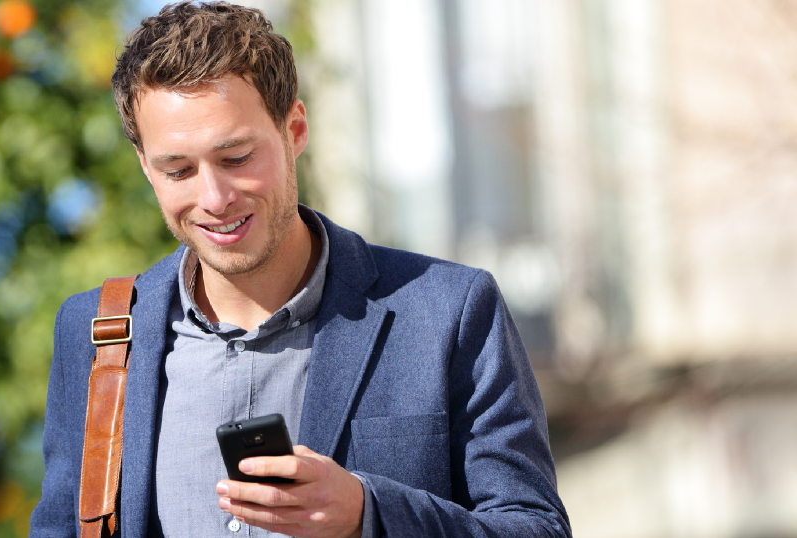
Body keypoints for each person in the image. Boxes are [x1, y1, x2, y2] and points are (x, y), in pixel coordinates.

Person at [28, 2, 570, 537]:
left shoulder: (448, 311)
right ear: (146, 167)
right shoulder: (97, 335)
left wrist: (367, 515)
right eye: (178, 170)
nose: (213, 197)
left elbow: (536, 529)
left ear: (295, 130)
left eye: (237, 157)